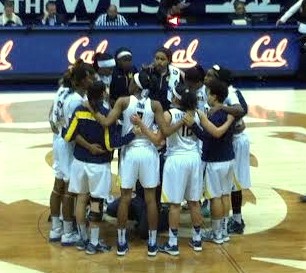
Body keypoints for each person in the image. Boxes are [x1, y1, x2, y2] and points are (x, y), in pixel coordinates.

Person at [86, 70, 184, 257]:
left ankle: (122, 243)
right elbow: (165, 131)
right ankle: (153, 244)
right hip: (149, 152)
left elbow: (106, 122)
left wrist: (91, 109)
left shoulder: (123, 101)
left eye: (132, 81)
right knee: (150, 199)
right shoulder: (155, 105)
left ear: (136, 85)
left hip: (130, 152)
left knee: (124, 197)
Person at [64, 81, 138, 254]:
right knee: (96, 202)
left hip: (79, 163)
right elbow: (110, 144)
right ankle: (94, 243)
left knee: (81, 199)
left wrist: (87, 146)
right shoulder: (106, 115)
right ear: (103, 94)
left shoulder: (79, 111)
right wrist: (131, 135)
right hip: (98, 166)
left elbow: (69, 135)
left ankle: (83, 239)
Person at [183, 79, 235, 245]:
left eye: (208, 93)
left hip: (215, 161)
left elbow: (208, 136)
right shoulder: (229, 112)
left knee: (215, 197)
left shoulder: (212, 115)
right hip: (229, 159)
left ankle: (217, 233)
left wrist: (194, 127)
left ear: (214, 96)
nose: (206, 96)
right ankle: (224, 231)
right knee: (225, 195)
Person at [205, 65, 249, 234]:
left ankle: (236, 220)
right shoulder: (219, 92)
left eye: (211, 76)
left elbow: (240, 110)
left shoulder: (229, 93)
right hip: (231, 138)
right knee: (227, 184)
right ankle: (224, 218)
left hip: (235, 141)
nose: (207, 78)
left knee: (233, 183)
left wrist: (222, 109)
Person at [48, 70, 74, 242]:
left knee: (58, 184)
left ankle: (55, 229)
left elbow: (50, 118)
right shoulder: (74, 99)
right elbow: (75, 128)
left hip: (57, 139)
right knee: (69, 187)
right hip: (67, 142)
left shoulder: (60, 90)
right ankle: (68, 232)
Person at [143, 47, 183, 111]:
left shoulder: (176, 74)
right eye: (157, 58)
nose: (159, 61)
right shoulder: (148, 72)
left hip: (168, 111)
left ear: (168, 61)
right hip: (149, 110)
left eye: (162, 59)